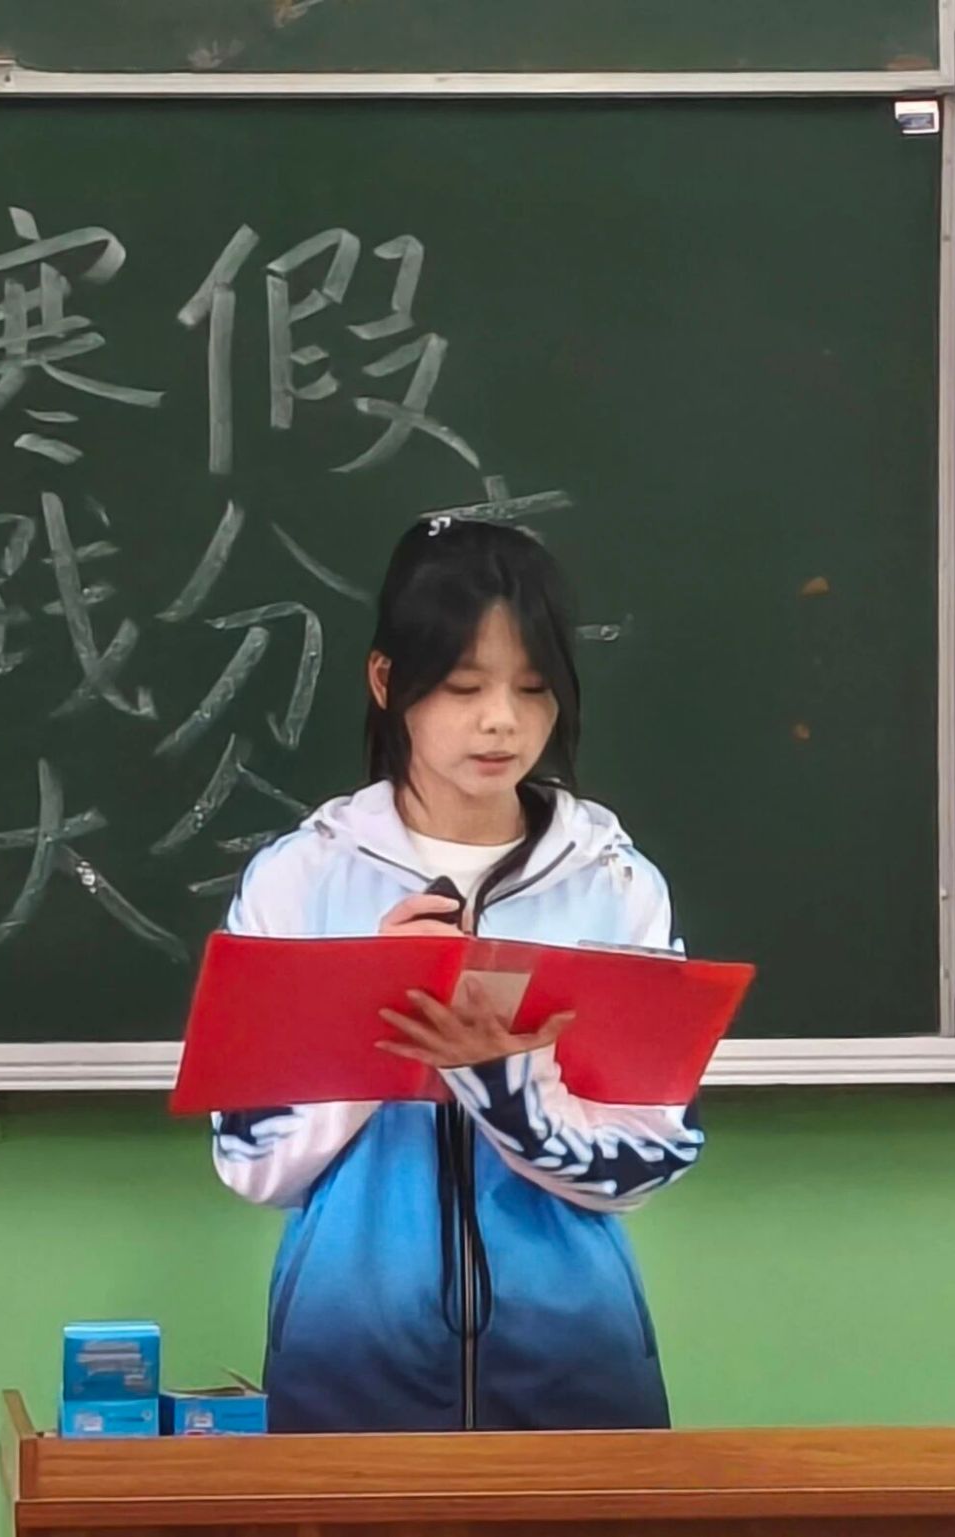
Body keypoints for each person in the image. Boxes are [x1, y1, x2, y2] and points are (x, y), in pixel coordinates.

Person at [210, 515, 705, 1433]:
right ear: (386, 680)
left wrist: (503, 1085)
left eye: (534, 687)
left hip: (576, 1357)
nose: (502, 720)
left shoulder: (615, 885)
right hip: (348, 1353)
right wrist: (373, 1012)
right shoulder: (299, 879)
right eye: (465, 685)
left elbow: (650, 1157)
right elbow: (250, 1161)